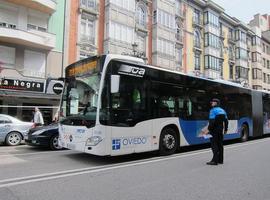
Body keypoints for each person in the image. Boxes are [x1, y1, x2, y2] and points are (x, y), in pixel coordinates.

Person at [207, 98, 228, 165]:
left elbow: (212, 122)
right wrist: (225, 129)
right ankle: (220, 160)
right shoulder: (223, 110)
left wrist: (208, 130)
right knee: (220, 144)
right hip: (220, 130)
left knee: (214, 144)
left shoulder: (212, 110)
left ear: (216, 103)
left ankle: (214, 161)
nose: (211, 103)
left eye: (212, 102)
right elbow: (226, 121)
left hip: (214, 130)